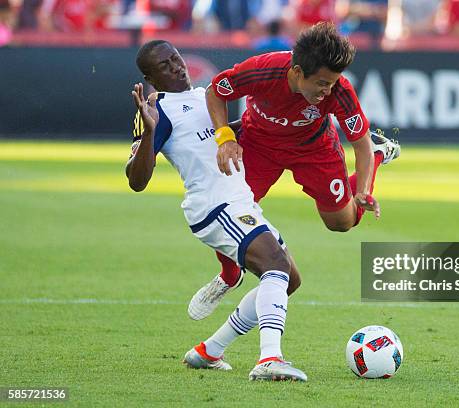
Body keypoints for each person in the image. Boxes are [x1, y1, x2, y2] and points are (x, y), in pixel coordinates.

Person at [126, 40, 306, 381]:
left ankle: (209, 351)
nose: (177, 66)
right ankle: (269, 359)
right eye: (165, 65)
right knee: (276, 265)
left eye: (176, 58)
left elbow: (217, 138)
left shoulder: (207, 96)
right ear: (151, 76)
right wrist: (149, 132)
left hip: (239, 199)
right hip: (215, 206)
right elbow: (137, 180)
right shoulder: (156, 110)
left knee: (288, 281)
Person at [192, 22, 400, 314]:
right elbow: (215, 91)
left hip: (314, 148)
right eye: (322, 84)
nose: (327, 92)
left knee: (340, 223)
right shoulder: (262, 70)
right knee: (230, 213)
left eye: (331, 84)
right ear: (298, 72)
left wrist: (363, 190)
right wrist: (225, 138)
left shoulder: (339, 90)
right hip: (259, 144)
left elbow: (361, 143)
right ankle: (229, 276)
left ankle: (382, 155)